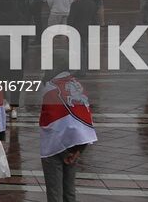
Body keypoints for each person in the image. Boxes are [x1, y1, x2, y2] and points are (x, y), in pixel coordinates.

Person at [39, 68, 96, 202]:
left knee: (55, 193)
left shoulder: (50, 89)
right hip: (76, 145)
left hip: (53, 147)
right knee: (69, 191)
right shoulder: (77, 85)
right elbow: (85, 118)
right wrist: (78, 150)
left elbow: (48, 121)